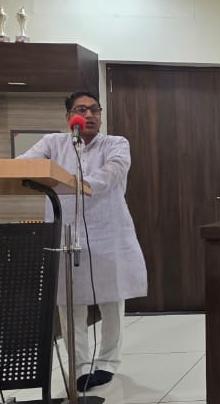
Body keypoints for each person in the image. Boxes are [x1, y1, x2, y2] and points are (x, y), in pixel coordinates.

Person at [17, 91, 147, 391]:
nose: (89, 115)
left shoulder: (116, 143)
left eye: (94, 110)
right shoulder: (52, 143)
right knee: (69, 300)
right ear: (69, 117)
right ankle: (79, 365)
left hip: (108, 231)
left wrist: (78, 183)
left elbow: (112, 173)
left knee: (111, 298)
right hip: (65, 230)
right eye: (81, 109)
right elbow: (24, 165)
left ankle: (108, 362)